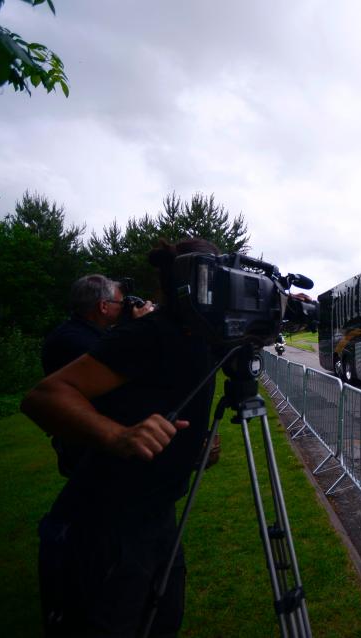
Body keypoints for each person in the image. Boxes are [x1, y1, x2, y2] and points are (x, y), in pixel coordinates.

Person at [22, 238, 221, 637]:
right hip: (109, 521)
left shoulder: (198, 335)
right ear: (189, 282)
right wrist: (118, 435)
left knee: (162, 620)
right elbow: (43, 397)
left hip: (157, 510)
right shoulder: (148, 333)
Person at [41, 275, 156, 476]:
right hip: (92, 447)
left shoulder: (78, 333)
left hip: (93, 441)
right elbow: (123, 374)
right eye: (121, 303)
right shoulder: (75, 342)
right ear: (103, 306)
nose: (124, 308)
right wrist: (138, 328)